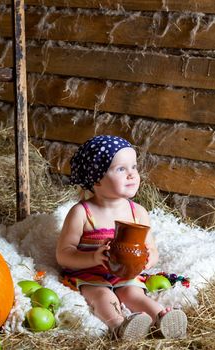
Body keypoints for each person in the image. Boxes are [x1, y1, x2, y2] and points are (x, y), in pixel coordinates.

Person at [56, 135, 187, 341]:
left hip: (126, 273)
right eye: (121, 169)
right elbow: (64, 254)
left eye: (133, 167)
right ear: (96, 178)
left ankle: (162, 317)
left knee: (134, 294)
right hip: (91, 274)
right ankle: (119, 325)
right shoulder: (82, 213)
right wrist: (93, 258)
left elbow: (151, 249)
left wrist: (146, 260)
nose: (132, 175)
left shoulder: (138, 213)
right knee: (102, 296)